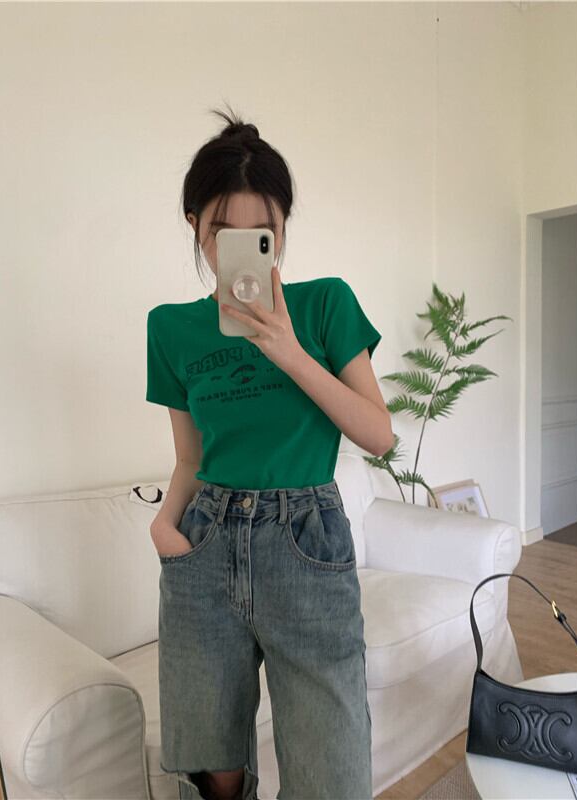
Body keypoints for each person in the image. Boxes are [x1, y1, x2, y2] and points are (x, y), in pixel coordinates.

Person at [146, 103, 393, 800]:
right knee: (212, 768)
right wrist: (165, 524)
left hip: (306, 541)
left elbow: (379, 434)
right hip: (204, 543)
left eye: (262, 233)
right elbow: (190, 456)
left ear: (282, 229)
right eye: (222, 231)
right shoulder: (170, 329)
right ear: (195, 225)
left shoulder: (325, 305)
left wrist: (290, 353)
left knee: (330, 773)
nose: (242, 247)